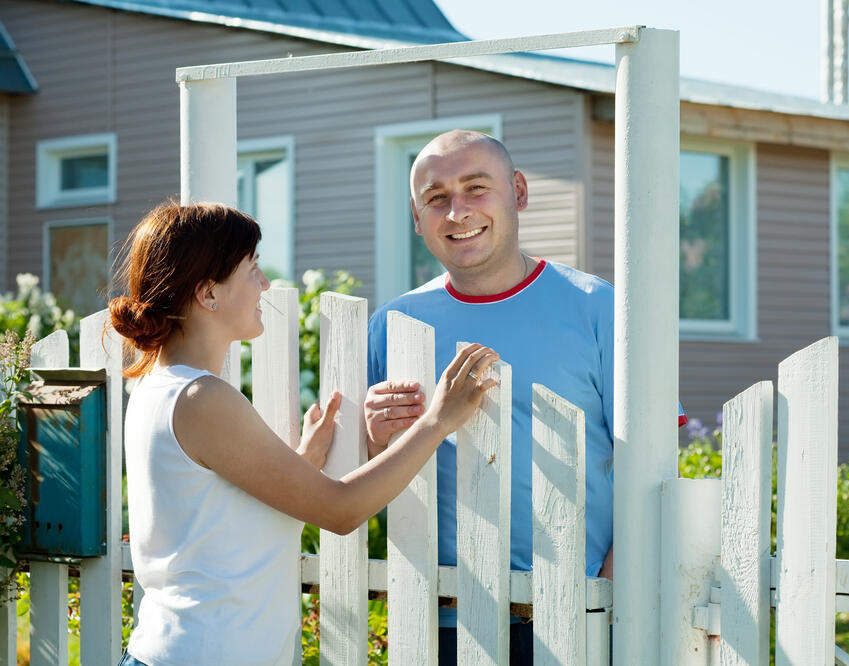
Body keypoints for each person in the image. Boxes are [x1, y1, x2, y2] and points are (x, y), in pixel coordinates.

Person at [109, 201, 499, 666]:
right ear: (209, 294)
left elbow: (219, 526)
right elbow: (339, 511)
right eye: (252, 268)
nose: (265, 283)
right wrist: (438, 421)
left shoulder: (162, 386)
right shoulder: (201, 398)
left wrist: (301, 462)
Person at [365, 130, 686, 664]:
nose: (457, 211)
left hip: (580, 609)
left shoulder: (599, 308)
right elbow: (370, 488)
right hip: (442, 613)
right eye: (436, 198)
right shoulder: (393, 326)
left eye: (476, 188)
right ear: (417, 216)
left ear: (518, 190)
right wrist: (377, 442)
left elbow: (654, 466)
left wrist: (608, 589)